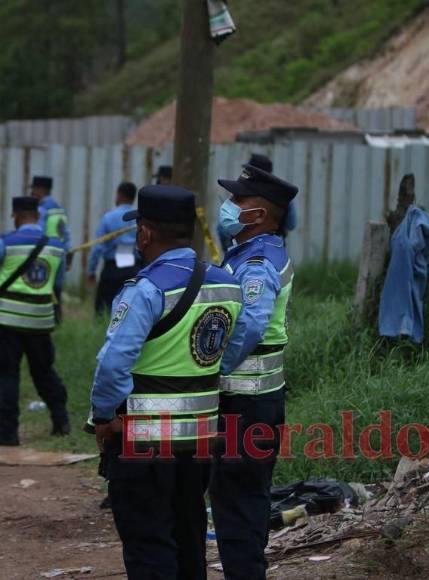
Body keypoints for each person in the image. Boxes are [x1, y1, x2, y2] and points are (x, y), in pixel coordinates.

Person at [89, 185, 244, 579]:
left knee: (149, 546)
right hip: (200, 440)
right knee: (189, 540)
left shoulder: (146, 289)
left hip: (144, 441)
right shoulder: (226, 282)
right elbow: (236, 346)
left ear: (144, 233)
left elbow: (112, 365)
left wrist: (104, 416)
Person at [210, 164, 298, 580]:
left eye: (237, 201)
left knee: (238, 501)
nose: (227, 207)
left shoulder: (258, 260)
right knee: (240, 499)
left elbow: (250, 323)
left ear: (258, 214)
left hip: (245, 402)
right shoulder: (249, 252)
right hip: (253, 401)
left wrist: (212, 372)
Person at [0, 196, 71, 445]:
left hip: (9, 318)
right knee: (44, 371)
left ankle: (8, 431)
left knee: (8, 374)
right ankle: (60, 420)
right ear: (38, 216)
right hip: (40, 321)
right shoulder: (56, 246)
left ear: (15, 216)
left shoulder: (5, 242)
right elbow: (57, 283)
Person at [217, 154, 297, 252]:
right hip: (275, 246)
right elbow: (291, 225)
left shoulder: (255, 266)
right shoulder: (283, 198)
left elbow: (222, 230)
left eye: (239, 200)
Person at [87, 182, 140, 315]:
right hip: (134, 269)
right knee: (129, 310)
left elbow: (98, 247)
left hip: (112, 269)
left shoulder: (108, 218)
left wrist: (92, 271)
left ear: (119, 195)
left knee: (103, 309)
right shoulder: (139, 218)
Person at [30, 175, 71, 320]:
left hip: (47, 255)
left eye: (33, 189)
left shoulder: (41, 209)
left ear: (40, 190)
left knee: (45, 291)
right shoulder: (59, 209)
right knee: (57, 291)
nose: (32, 193)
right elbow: (66, 235)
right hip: (61, 254)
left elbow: (38, 232)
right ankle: (58, 320)